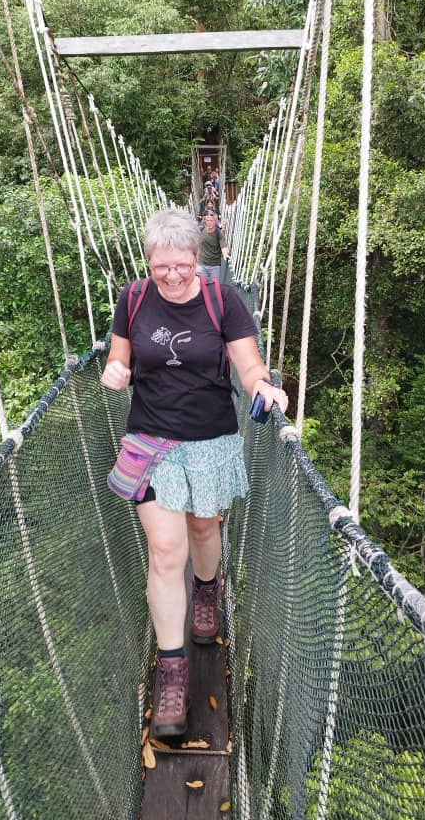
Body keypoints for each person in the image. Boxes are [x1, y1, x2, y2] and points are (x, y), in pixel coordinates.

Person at [100, 208, 288, 736]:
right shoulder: (133, 299)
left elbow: (248, 364)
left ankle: (207, 589)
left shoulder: (219, 298)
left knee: (204, 528)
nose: (173, 276)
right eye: (162, 267)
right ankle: (173, 671)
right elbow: (118, 362)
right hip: (150, 439)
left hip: (211, 437)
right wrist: (114, 374)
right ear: (149, 263)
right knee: (166, 551)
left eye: (182, 265)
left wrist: (262, 386)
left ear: (197, 260)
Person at [197, 208, 230, 281]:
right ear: (204, 221)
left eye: (211, 220)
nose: (209, 222)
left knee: (214, 288)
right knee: (201, 287)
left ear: (215, 221)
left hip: (214, 266)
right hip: (201, 265)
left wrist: (225, 254)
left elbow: (223, 246)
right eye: (207, 220)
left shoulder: (219, 234)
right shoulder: (200, 230)